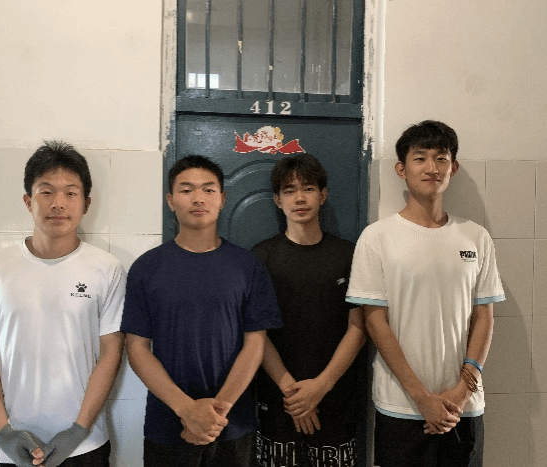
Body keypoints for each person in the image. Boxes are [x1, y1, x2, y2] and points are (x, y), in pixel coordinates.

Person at [0, 141, 126, 467]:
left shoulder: (107, 270)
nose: (58, 203)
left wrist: (79, 430)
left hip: (83, 447)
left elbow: (111, 352)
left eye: (70, 193)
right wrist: (2, 432)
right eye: (46, 192)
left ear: (86, 203)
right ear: (28, 201)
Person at [346, 120, 505, 466]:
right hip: (400, 405)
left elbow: (484, 317)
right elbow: (375, 322)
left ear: (453, 167)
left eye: (441, 158)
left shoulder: (476, 236)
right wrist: (421, 398)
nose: (432, 168)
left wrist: (461, 392)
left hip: (463, 408)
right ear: (401, 169)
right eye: (420, 158)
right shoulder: (377, 237)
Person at [121, 155, 282, 467]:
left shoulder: (247, 266)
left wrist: (217, 412)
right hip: (167, 423)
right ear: (170, 200)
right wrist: (186, 409)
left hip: (233, 424)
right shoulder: (146, 268)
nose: (198, 198)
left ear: (222, 199)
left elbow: (255, 343)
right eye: (186, 190)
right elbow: (137, 347)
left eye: (208, 190)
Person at [252, 153, 367, 467]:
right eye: (289, 191)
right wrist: (293, 393)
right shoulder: (261, 257)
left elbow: (358, 328)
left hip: (336, 396)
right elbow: (257, 334)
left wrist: (320, 387)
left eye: (308, 188)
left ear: (323, 195)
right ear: (278, 200)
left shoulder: (348, 254)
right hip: (279, 399)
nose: (299, 198)